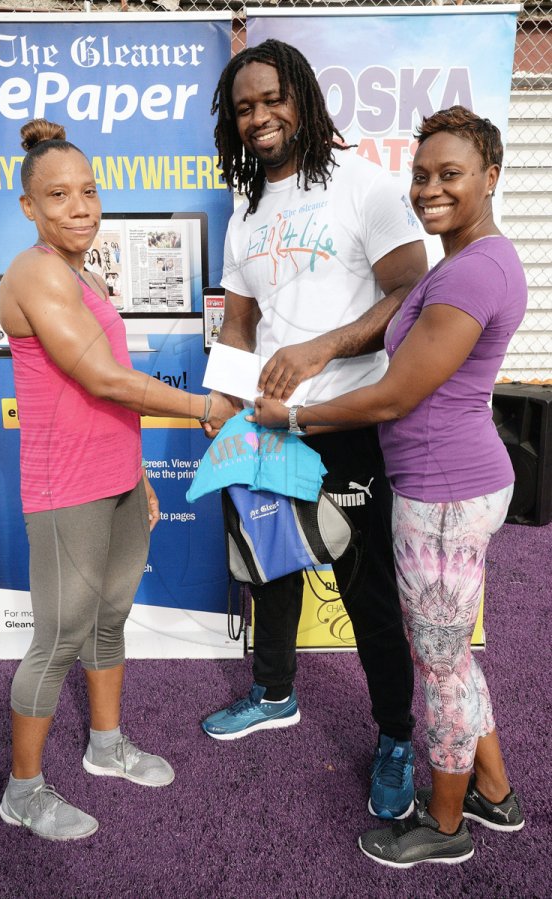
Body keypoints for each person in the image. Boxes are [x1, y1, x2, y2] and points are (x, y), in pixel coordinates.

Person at [251, 106, 527, 867]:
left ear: (491, 177)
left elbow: (396, 394)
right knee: (450, 657)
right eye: (422, 174)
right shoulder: (459, 261)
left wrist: (296, 417)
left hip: (444, 492)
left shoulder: (476, 269)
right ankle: (493, 793)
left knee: (440, 667)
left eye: (450, 174)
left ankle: (442, 826)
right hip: (444, 483)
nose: (429, 188)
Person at [200, 39, 428, 821]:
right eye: (244, 107)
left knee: (365, 590)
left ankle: (396, 737)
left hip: (344, 421)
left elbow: (412, 290)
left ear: (303, 98)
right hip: (264, 429)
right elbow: (238, 324)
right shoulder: (247, 207)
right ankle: (273, 693)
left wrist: (323, 347)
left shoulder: (363, 185)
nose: (260, 116)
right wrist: (219, 406)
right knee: (270, 568)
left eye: (273, 99)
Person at [0, 118, 230, 842]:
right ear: (29, 207)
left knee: (108, 618)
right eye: (58, 194)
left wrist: (138, 475)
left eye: (89, 191)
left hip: (117, 478)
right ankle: (22, 790)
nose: (80, 206)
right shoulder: (32, 273)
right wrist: (205, 407)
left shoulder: (85, 272)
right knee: (58, 636)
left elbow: (105, 395)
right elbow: (102, 376)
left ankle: (104, 745)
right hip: (66, 488)